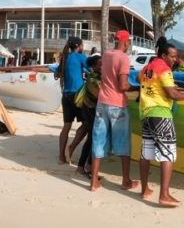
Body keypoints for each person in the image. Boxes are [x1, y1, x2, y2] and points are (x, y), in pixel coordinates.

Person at [138, 37, 184, 207]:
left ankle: (144, 190)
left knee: (146, 153)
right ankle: (164, 195)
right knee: (168, 154)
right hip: (161, 114)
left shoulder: (146, 68)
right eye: (173, 56)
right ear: (164, 55)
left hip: (146, 114)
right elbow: (172, 94)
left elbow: (143, 82)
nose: (175, 59)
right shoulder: (164, 70)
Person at [90, 29, 138, 192]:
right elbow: (123, 85)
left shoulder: (106, 55)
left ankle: (94, 182)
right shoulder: (123, 58)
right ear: (126, 42)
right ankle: (126, 180)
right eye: (129, 42)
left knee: (98, 141)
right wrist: (137, 87)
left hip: (102, 103)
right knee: (123, 143)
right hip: (117, 105)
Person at [54, 36, 88, 165]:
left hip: (66, 96)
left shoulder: (65, 58)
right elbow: (92, 68)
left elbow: (57, 73)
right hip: (77, 95)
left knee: (66, 127)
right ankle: (72, 147)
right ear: (79, 46)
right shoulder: (80, 57)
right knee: (86, 124)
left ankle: (61, 157)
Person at [74, 54, 102, 177]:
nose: (103, 66)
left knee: (92, 139)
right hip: (90, 110)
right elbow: (99, 94)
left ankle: (84, 166)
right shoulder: (92, 79)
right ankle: (86, 167)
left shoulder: (96, 77)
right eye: (101, 64)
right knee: (93, 139)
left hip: (91, 110)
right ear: (94, 66)